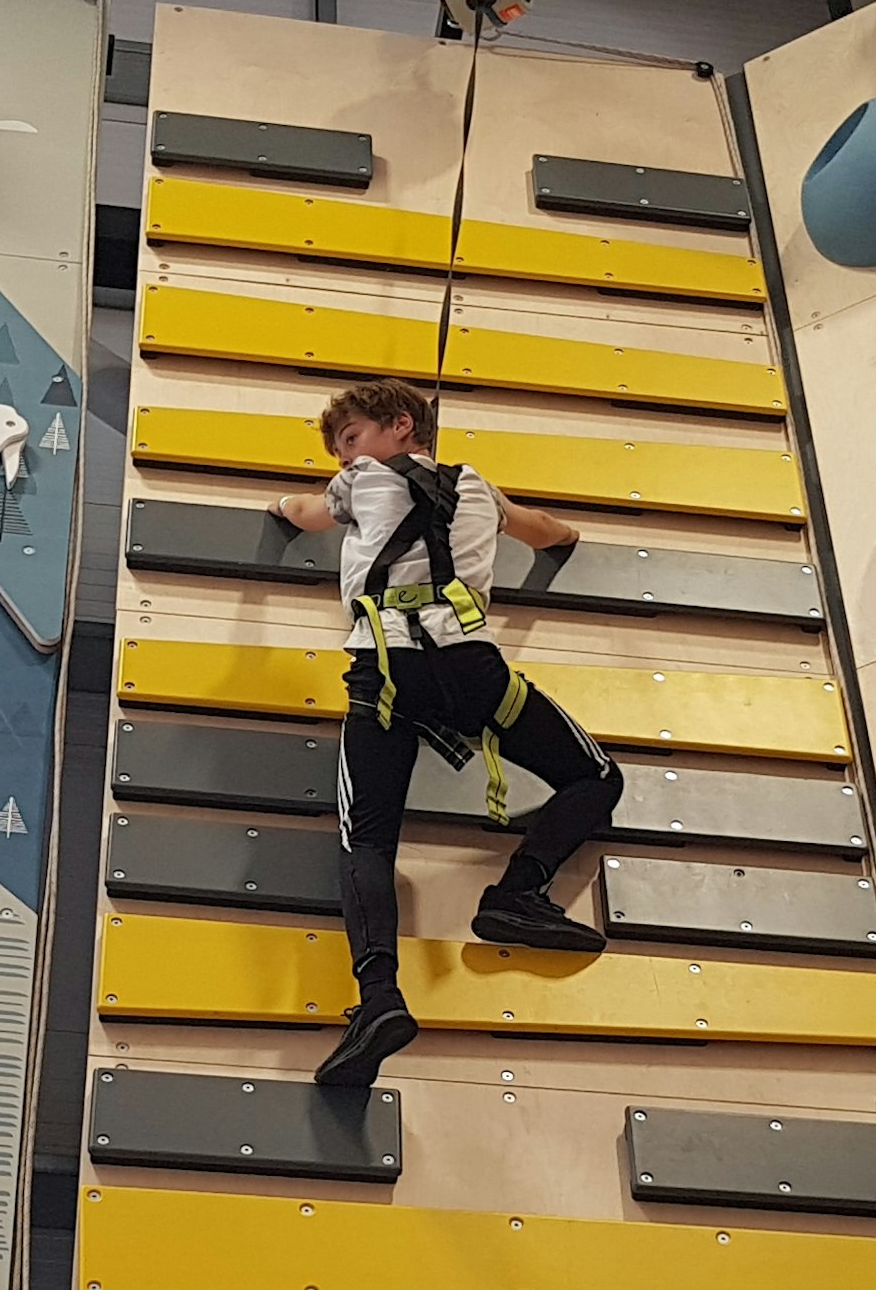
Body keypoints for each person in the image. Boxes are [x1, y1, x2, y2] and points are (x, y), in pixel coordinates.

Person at [267, 377, 626, 1091]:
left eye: (351, 439)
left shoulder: (357, 485)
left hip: (385, 675)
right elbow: (544, 529)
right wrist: (570, 537)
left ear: (401, 426)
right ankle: (518, 893)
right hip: (471, 672)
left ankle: (379, 1001)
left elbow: (305, 512)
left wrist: (277, 505)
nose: (345, 458)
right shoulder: (480, 491)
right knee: (597, 779)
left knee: (367, 840)